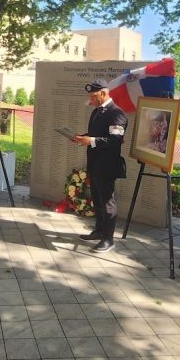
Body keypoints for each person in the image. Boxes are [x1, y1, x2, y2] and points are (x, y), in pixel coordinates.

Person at [70, 79, 127, 253]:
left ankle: (108, 239)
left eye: (93, 96)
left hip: (107, 165)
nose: (91, 100)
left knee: (108, 202)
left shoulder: (117, 114)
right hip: (94, 163)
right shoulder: (97, 112)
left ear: (103, 93)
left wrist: (91, 141)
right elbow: (96, 135)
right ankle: (99, 231)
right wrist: (83, 138)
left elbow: (115, 140)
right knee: (97, 199)